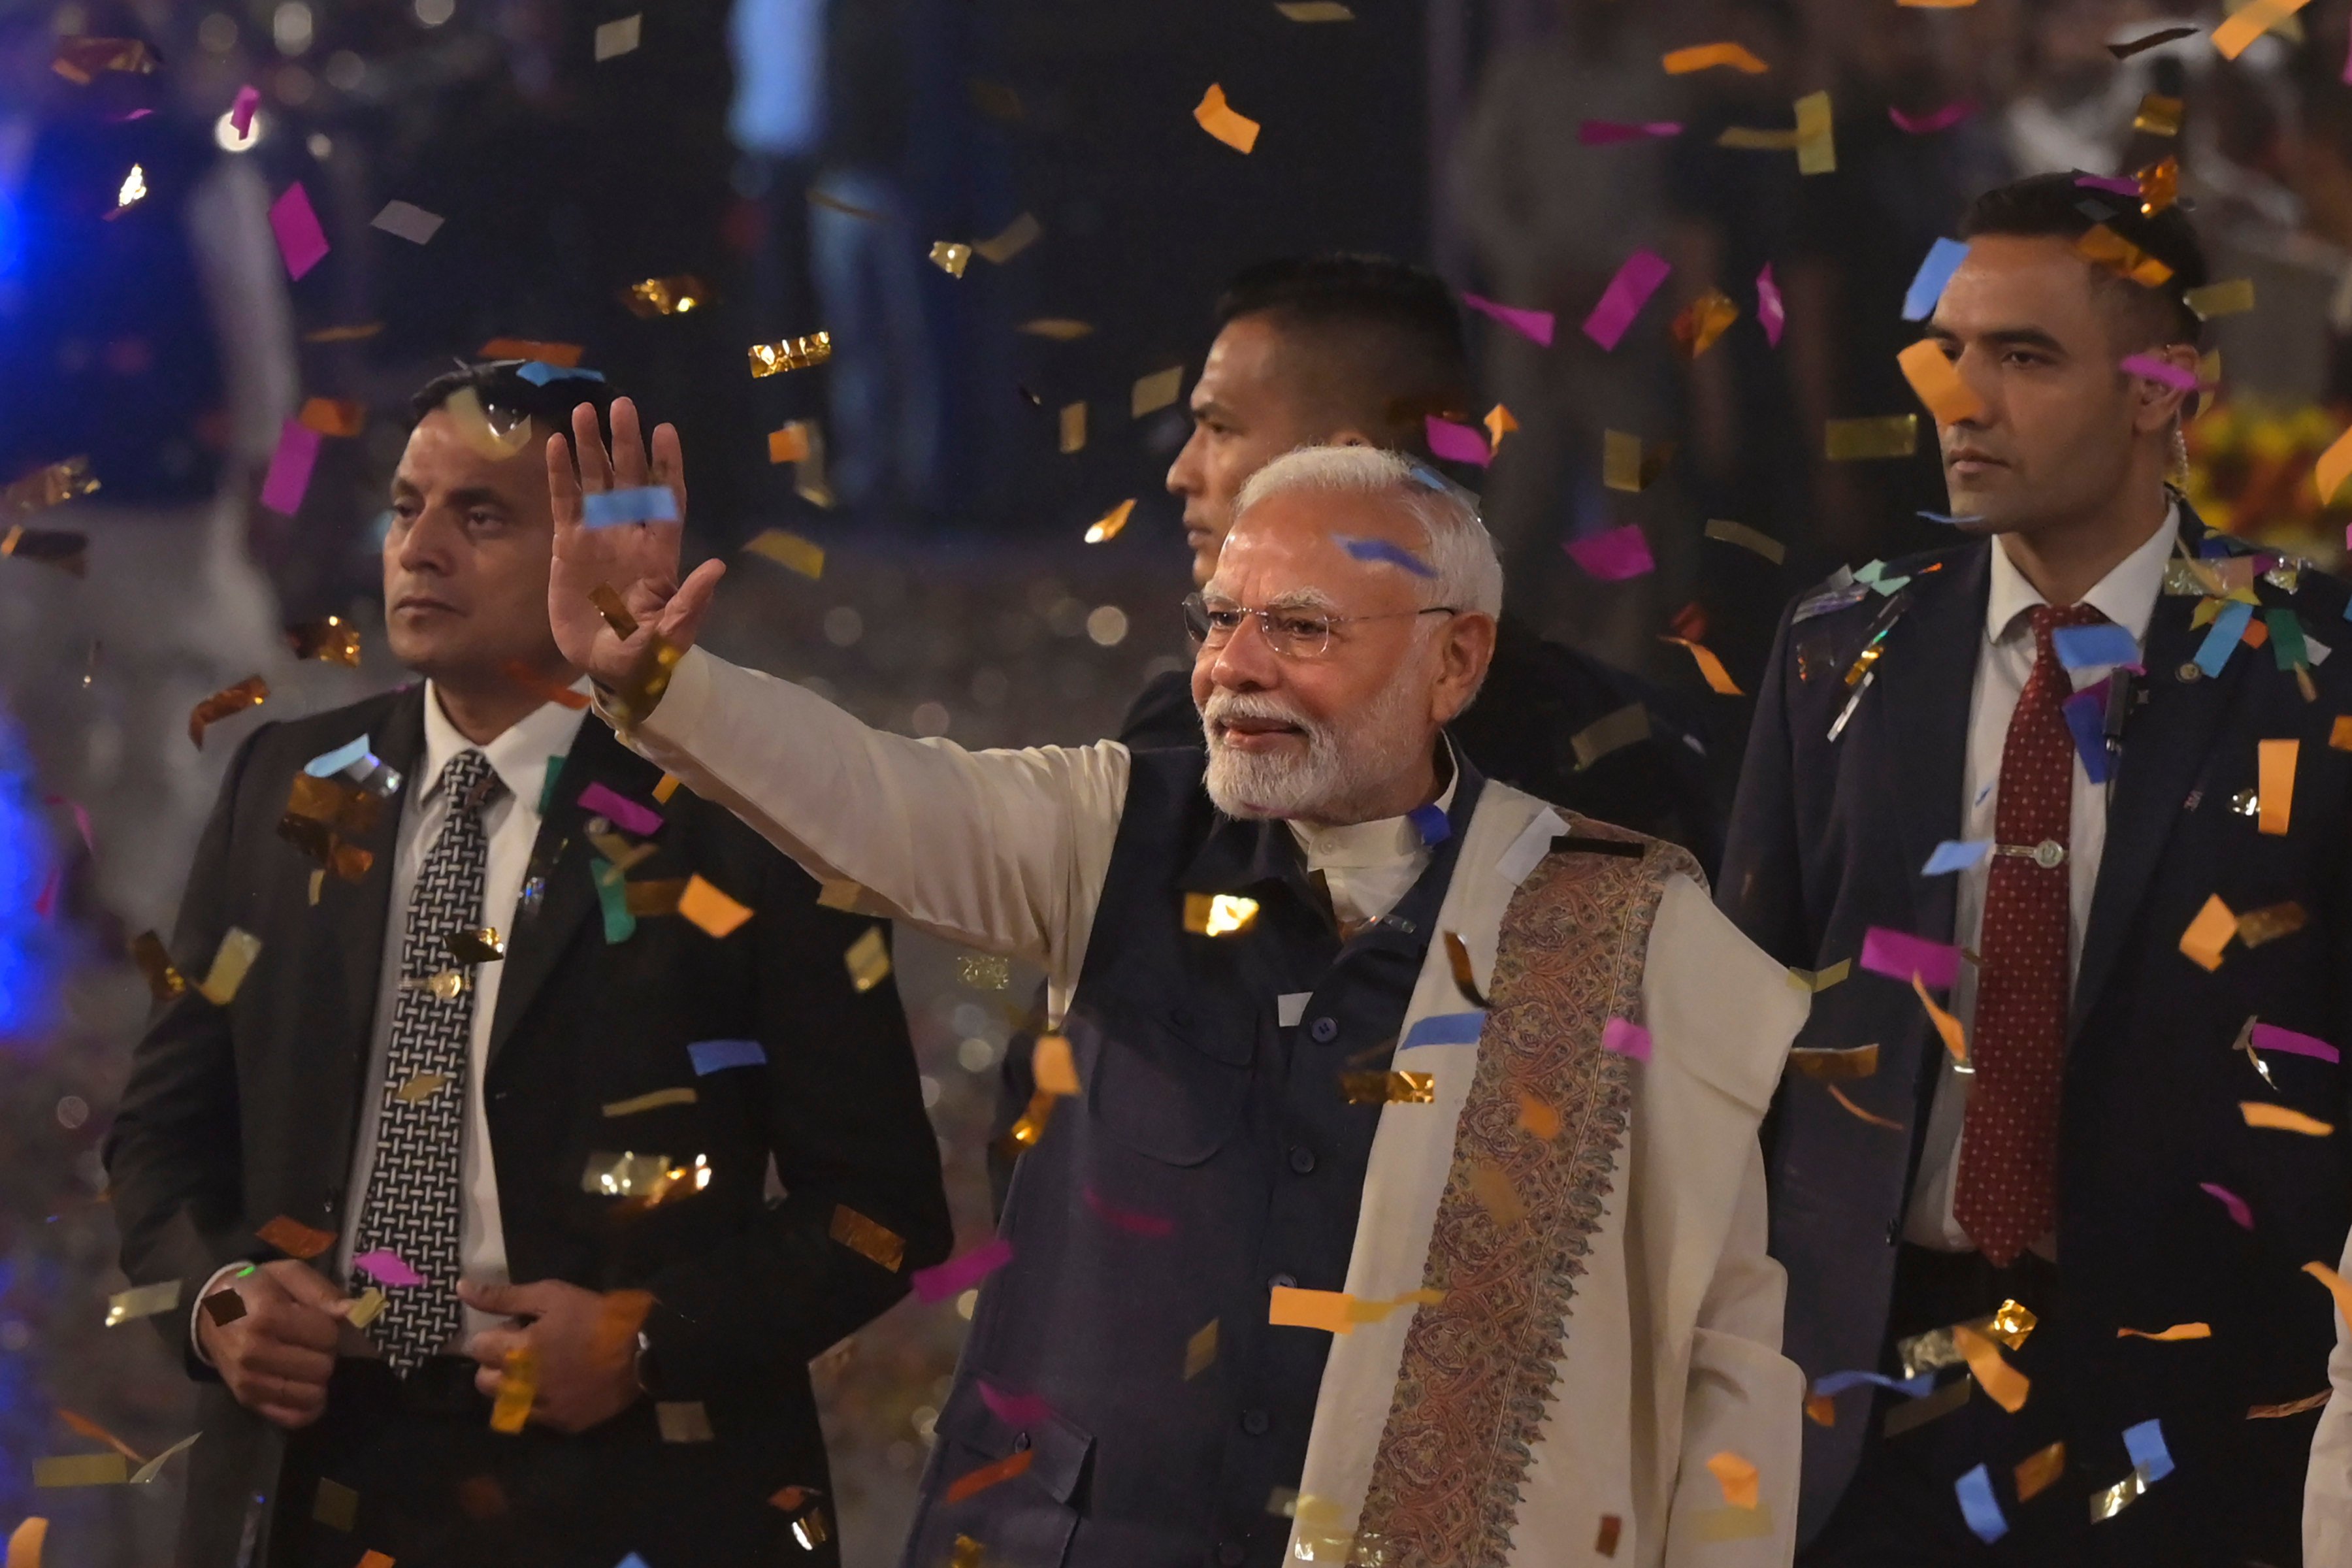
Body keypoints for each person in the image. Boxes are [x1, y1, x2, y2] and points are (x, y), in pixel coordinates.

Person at [548, 417, 1810, 1566]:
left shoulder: (1614, 927)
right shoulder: (1116, 829)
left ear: (1456, 660)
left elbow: (1724, 1354)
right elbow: (884, 800)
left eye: (1300, 628)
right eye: (1219, 620)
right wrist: (666, 686)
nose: (1233, 669)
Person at [104, 363, 949, 1568]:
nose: (420, 549)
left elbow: (881, 1212)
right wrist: (214, 1299)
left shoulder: (747, 808)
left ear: (595, 553)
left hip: (633, 1483)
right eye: (405, 508)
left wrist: (650, 1339)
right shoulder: (290, 783)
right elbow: (159, 1134)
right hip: (310, 1473)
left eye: (481, 516)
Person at [1722, 172, 2352, 1565]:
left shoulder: (2315, 662)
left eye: (2025, 356)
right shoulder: (1841, 646)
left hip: (2208, 1412)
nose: (1964, 399)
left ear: (2161, 385)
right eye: (1952, 350)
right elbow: (1743, 1031)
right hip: (1870, 1391)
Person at [1127, 253, 1722, 872]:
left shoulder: (1614, 763)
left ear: (1351, 466)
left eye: (1220, 429)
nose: (1182, 472)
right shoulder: (1634, 733)